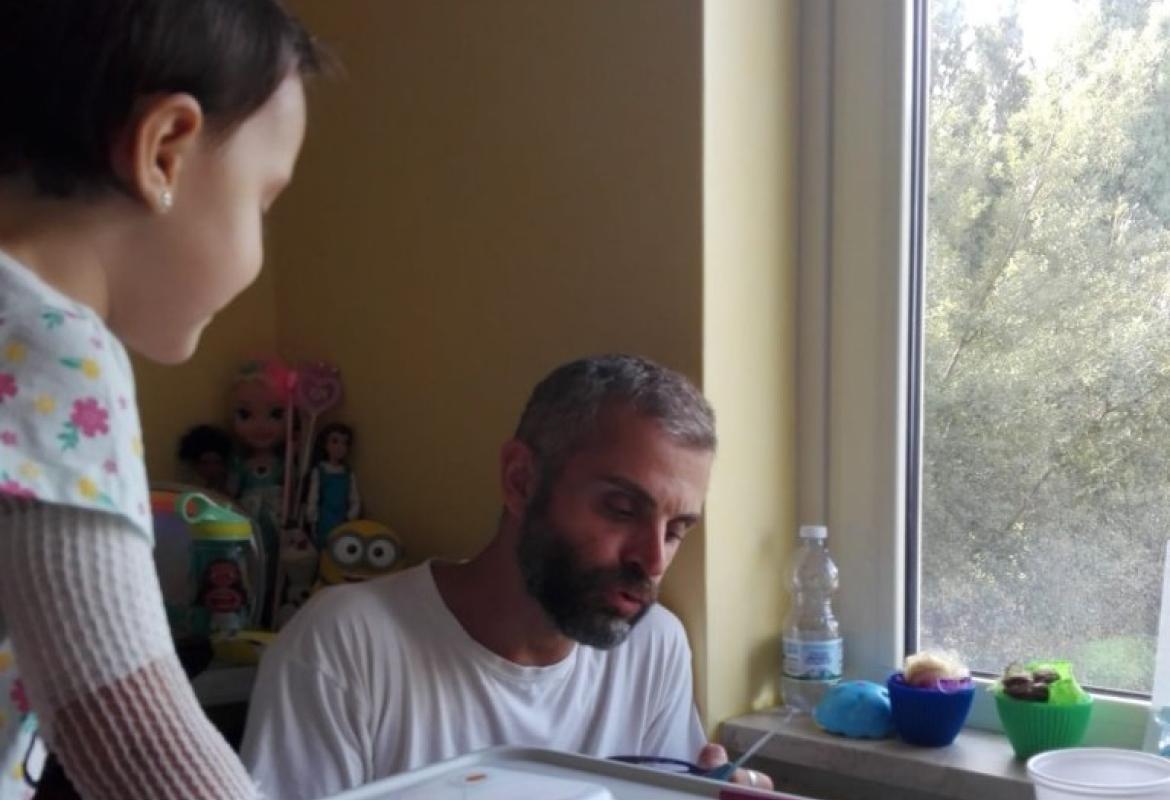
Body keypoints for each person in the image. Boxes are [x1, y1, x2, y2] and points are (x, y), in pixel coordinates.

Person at [0, 2, 320, 799]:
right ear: (165, 153)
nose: (261, 238)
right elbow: (128, 731)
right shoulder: (48, 349)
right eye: (264, 202)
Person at [241, 354, 775, 798]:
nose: (653, 560)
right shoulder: (343, 646)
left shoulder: (653, 647)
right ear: (520, 480)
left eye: (676, 530)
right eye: (620, 509)